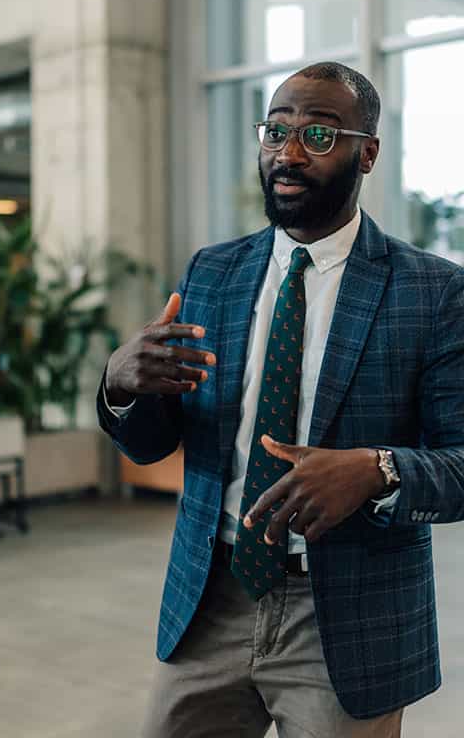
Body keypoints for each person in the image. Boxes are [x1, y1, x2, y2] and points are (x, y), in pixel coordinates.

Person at [98, 62, 464, 737]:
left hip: (347, 620)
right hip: (212, 601)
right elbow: (158, 440)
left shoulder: (433, 293)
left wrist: (376, 470)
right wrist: (123, 387)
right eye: (277, 132)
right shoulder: (214, 272)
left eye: (319, 135)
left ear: (368, 151)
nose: (289, 154)